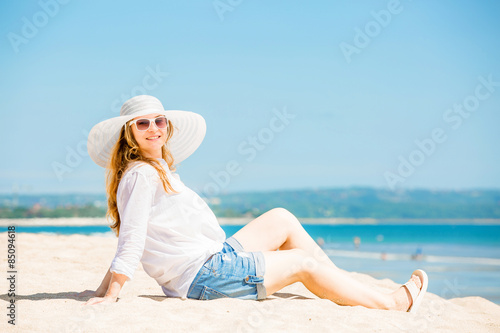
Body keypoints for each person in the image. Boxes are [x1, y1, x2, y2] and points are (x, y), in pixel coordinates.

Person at [80, 95, 428, 312]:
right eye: (143, 123)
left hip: (212, 258)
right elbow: (133, 237)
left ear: (167, 127)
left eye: (159, 121)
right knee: (302, 263)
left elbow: (134, 232)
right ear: (130, 132)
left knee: (282, 218)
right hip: (201, 277)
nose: (153, 128)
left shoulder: (154, 169)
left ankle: (343, 287)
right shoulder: (142, 175)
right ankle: (390, 303)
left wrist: (100, 287)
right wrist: (110, 293)